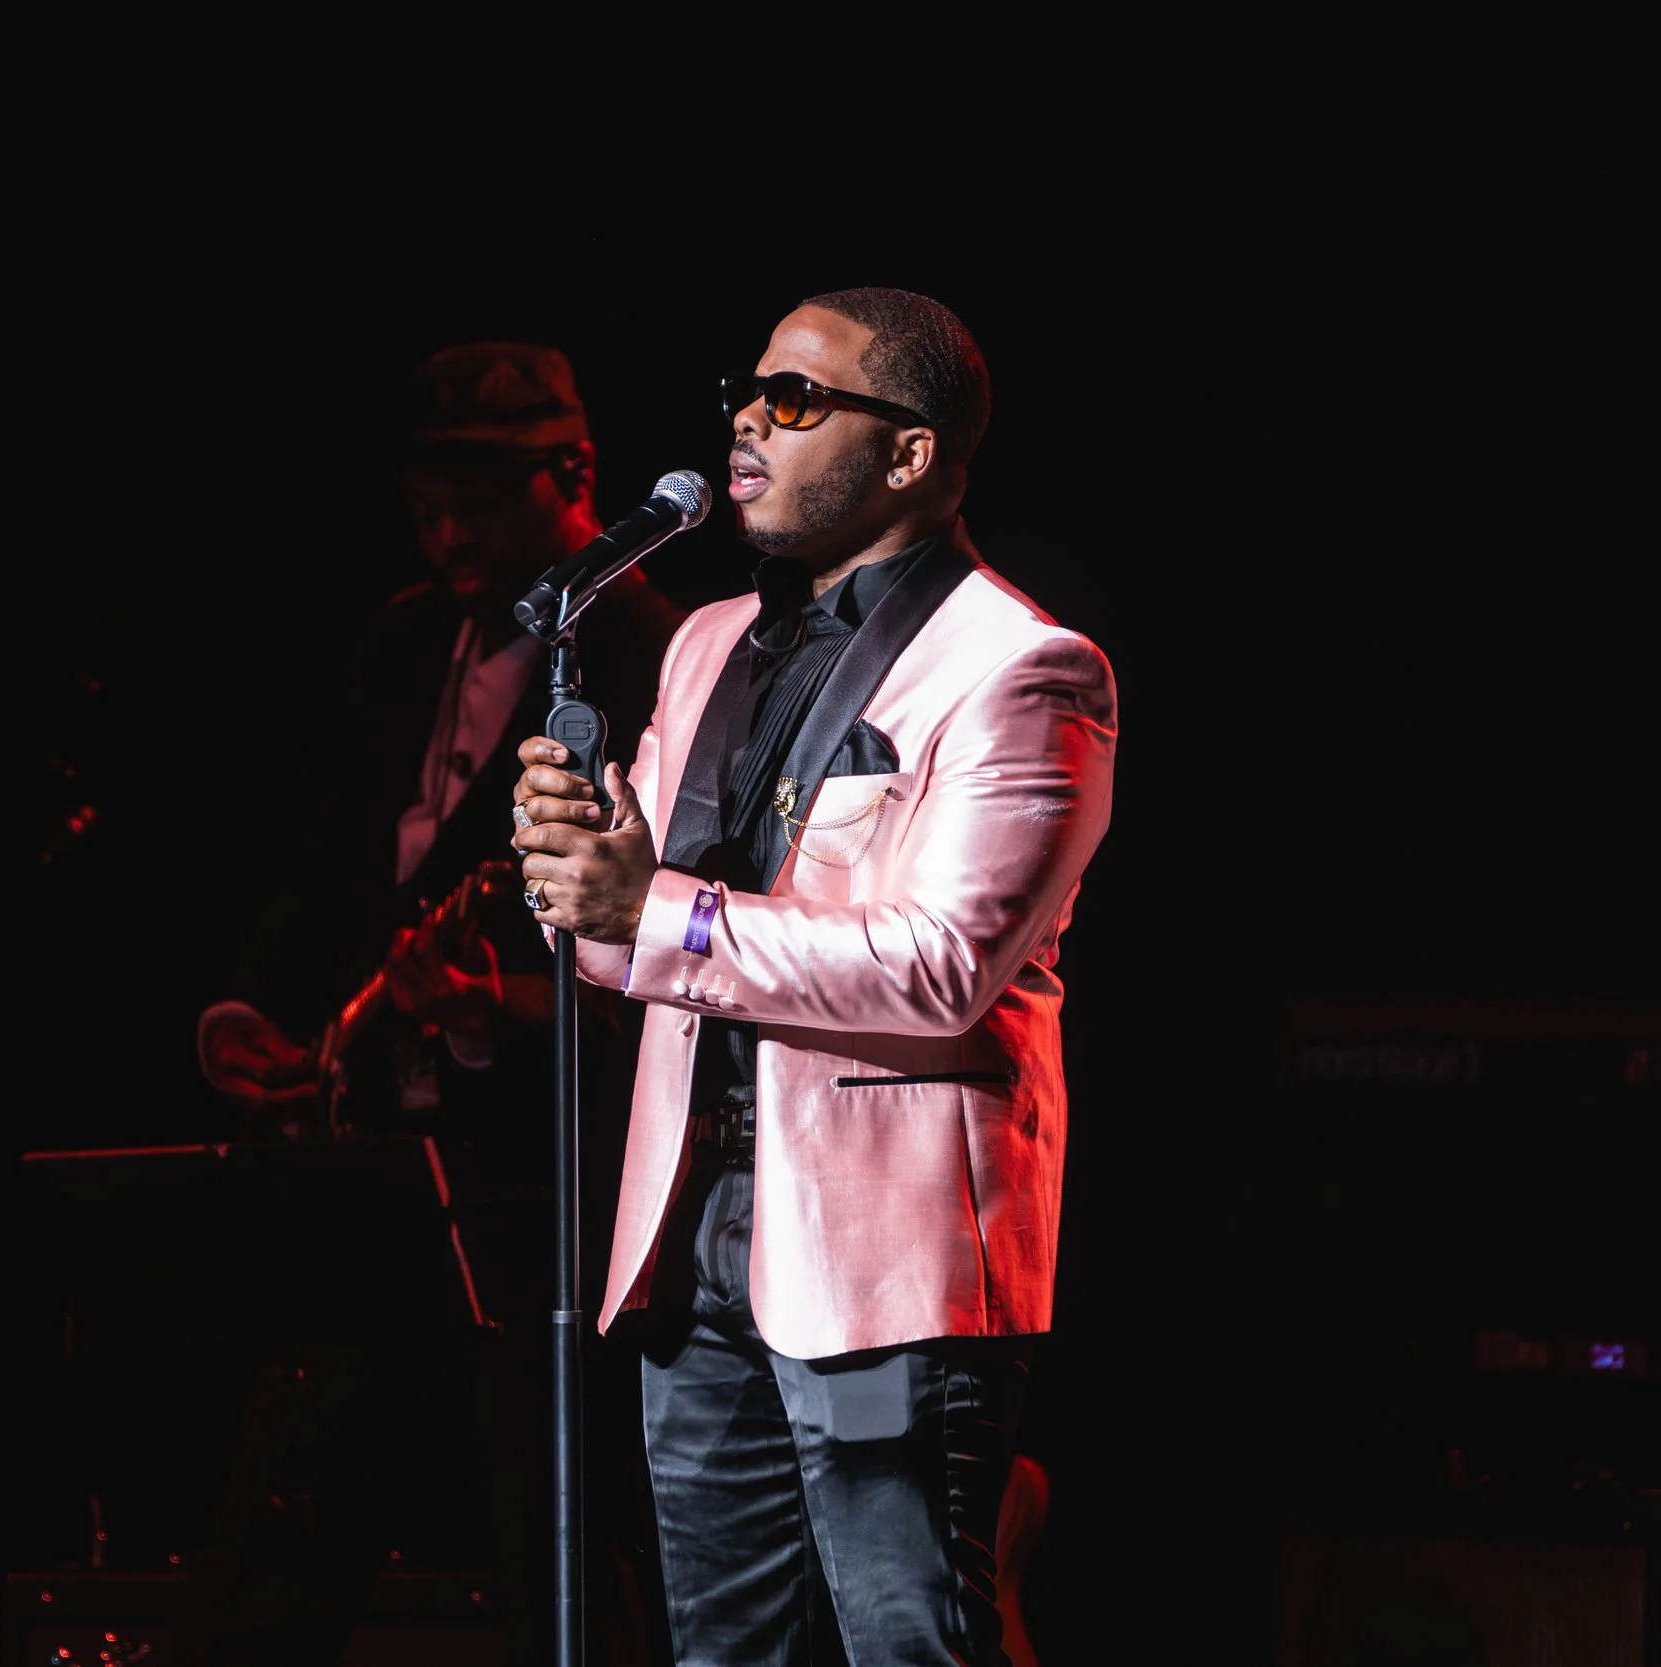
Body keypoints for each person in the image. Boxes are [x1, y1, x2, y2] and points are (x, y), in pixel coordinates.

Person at [508, 287, 1119, 1665]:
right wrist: (582, 885)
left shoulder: (1021, 669)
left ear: (910, 452)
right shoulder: (705, 641)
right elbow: (633, 945)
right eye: (747, 389)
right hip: (691, 1232)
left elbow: (940, 967)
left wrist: (650, 909)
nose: (748, 419)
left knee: (909, 1639)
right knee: (723, 1647)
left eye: (795, 398)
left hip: (884, 1257)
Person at [194, 339, 688, 1661]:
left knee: (564, 1560)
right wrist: (246, 1018)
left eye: (476, 498)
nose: (447, 531)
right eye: (424, 504)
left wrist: (496, 1006)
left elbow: (686, 954)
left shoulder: (660, 654)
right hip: (379, 1156)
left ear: (575, 476)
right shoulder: (404, 637)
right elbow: (323, 864)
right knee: (282, 1544)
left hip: (546, 1190)